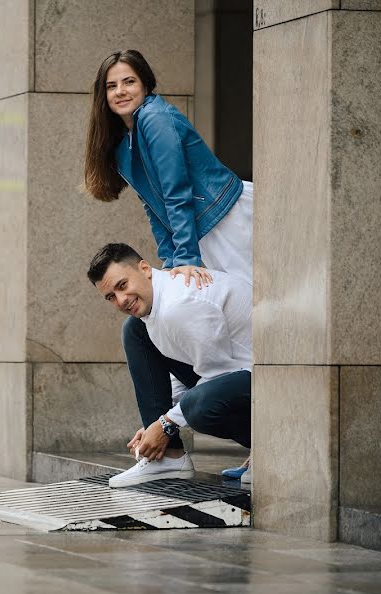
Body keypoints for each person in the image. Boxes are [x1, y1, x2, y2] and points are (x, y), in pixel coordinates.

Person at [84, 49, 254, 478]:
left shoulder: (155, 120)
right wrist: (173, 262)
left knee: (257, 324)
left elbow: (177, 193)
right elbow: (155, 208)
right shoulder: (126, 140)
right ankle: (181, 457)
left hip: (223, 222)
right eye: (111, 85)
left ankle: (268, 445)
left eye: (129, 82)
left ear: (146, 84)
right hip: (197, 231)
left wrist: (188, 261)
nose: (121, 91)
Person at [87, 243, 252, 487]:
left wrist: (165, 424)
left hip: (270, 380)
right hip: (235, 372)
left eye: (123, 285)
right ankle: (167, 458)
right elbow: (190, 368)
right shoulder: (157, 304)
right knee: (135, 330)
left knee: (197, 407)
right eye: (111, 297)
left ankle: (272, 446)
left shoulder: (178, 304)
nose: (121, 301)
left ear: (145, 268)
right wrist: (155, 425)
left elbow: (218, 376)